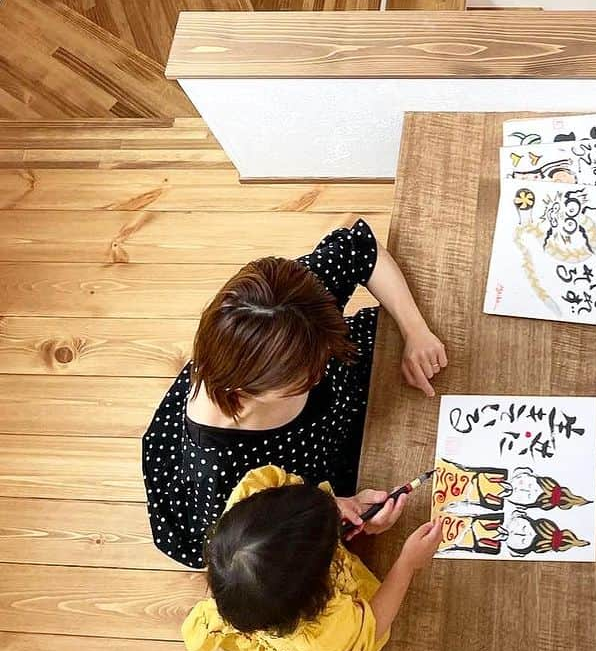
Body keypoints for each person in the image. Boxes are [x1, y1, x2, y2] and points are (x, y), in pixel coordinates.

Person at [142, 219, 447, 567]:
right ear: (246, 392)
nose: (319, 376)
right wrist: (335, 512)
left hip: (327, 422)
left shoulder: (287, 307)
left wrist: (415, 331)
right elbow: (263, 548)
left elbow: (361, 249)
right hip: (289, 492)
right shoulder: (220, 471)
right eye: (302, 380)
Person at [182, 464, 443, 651]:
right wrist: (407, 563)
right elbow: (368, 630)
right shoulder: (321, 627)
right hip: (333, 636)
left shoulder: (254, 499)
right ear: (322, 586)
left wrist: (337, 504)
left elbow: (282, 486)